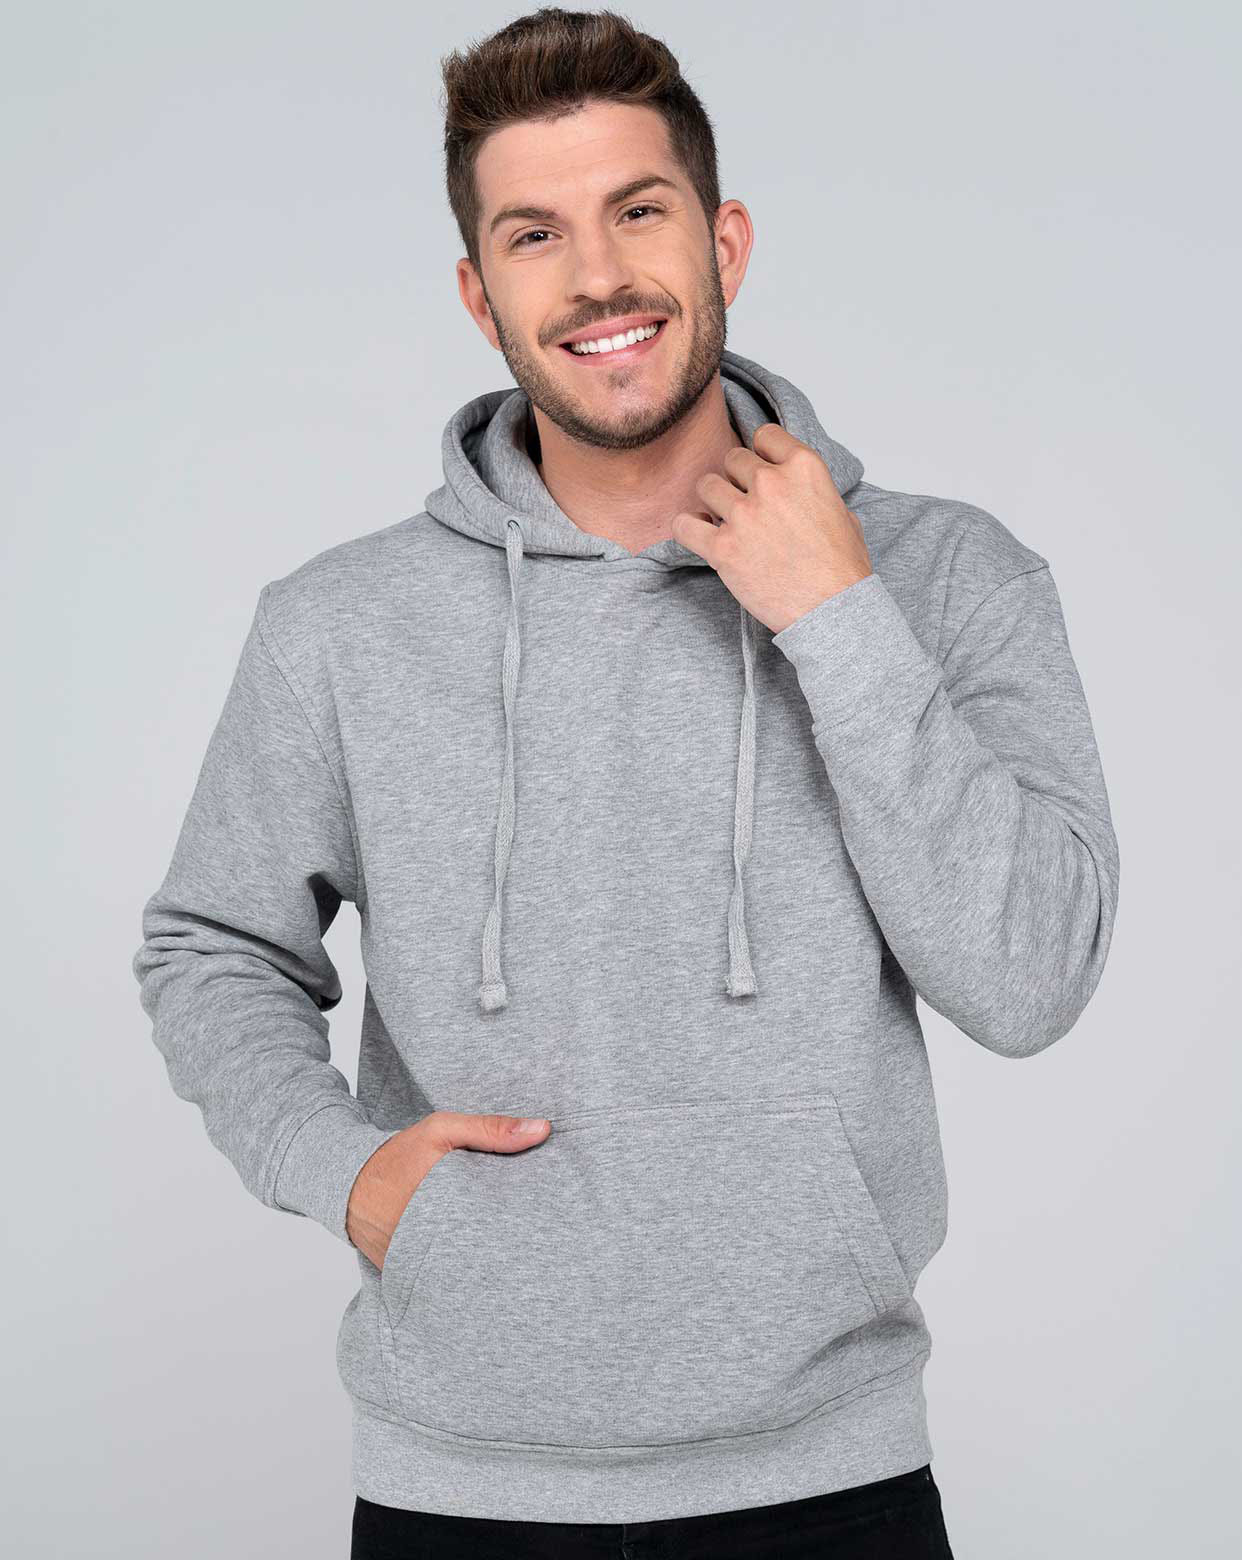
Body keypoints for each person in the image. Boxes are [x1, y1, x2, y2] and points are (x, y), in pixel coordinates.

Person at [132, 7, 1120, 1556]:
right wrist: (338, 1171)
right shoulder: (340, 625)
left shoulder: (945, 577)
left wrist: (837, 618)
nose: (595, 276)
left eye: (637, 211)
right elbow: (213, 945)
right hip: (457, 1490)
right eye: (534, 234)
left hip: (829, 1484)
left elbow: (1029, 979)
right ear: (481, 294)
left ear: (723, 242)